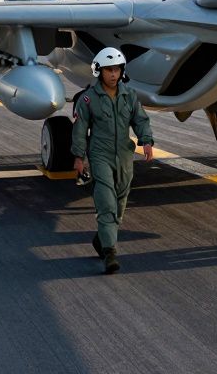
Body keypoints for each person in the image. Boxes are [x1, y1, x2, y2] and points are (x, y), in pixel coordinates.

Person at [71, 47, 153, 274]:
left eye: (116, 69)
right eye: (108, 70)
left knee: (119, 204)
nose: (113, 74)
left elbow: (141, 120)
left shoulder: (129, 96)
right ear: (99, 71)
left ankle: (101, 239)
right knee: (106, 203)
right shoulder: (88, 99)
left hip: (124, 156)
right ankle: (110, 253)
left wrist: (146, 141)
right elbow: (79, 130)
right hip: (100, 155)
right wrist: (79, 157)